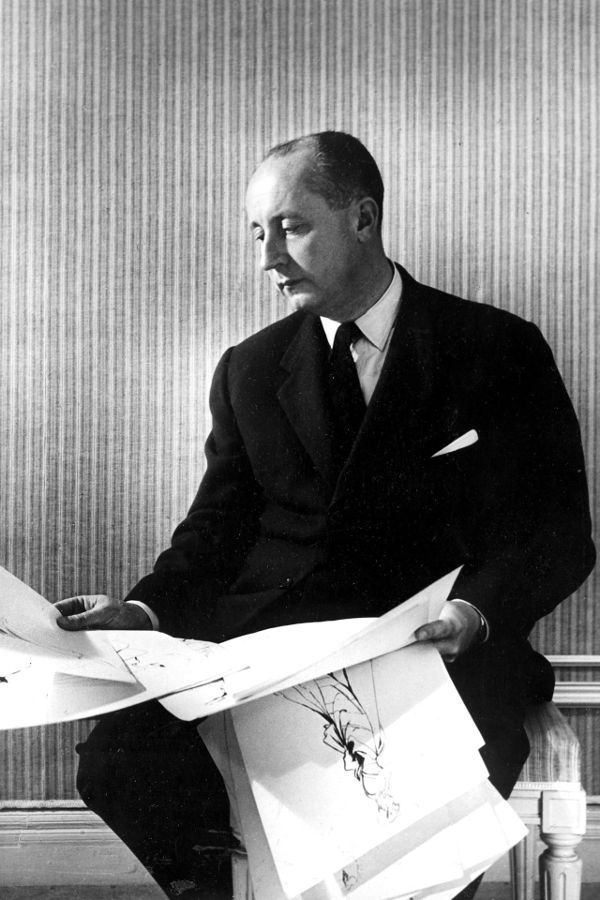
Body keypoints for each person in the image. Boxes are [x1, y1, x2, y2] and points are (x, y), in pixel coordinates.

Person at [56, 132, 595, 899]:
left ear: (363, 218)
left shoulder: (497, 348)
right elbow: (211, 536)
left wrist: (474, 613)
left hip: (437, 658)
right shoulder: (249, 369)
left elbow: (558, 534)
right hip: (269, 652)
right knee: (117, 761)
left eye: (291, 227)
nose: (269, 257)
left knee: (422, 826)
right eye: (258, 233)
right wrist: (141, 612)